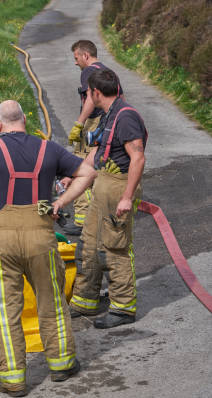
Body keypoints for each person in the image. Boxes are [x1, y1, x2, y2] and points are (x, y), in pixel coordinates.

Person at [0, 100, 96, 396]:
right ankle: (62, 364)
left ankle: (13, 379)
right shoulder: (47, 148)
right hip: (40, 232)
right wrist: (60, 202)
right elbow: (88, 174)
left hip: (0, 240)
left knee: (4, 309)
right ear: (24, 119)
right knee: (51, 301)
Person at [69, 69, 147, 329]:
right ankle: (85, 300)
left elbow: (137, 158)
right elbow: (97, 153)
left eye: (88, 93)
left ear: (96, 93)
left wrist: (127, 197)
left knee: (115, 248)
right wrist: (73, 174)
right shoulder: (108, 115)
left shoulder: (126, 118)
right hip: (103, 183)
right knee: (89, 243)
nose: (87, 97)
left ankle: (123, 307)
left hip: (118, 189)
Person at [62, 40, 124, 236]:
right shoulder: (107, 72)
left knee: (80, 167)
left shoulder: (89, 72)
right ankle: (100, 214)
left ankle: (83, 221)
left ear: (85, 55)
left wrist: (79, 123)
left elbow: (90, 99)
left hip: (93, 123)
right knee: (98, 167)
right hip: (105, 122)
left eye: (76, 58)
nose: (75, 62)